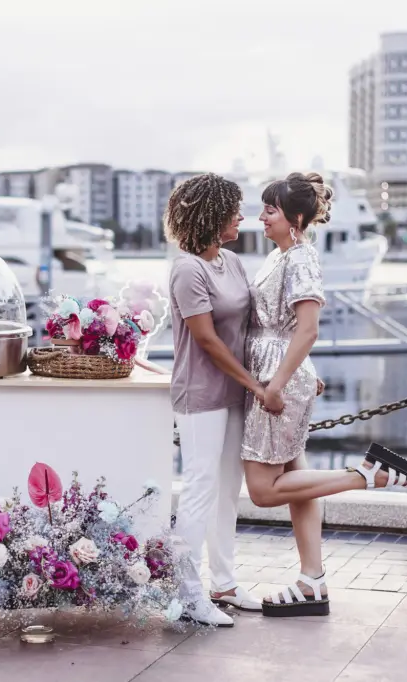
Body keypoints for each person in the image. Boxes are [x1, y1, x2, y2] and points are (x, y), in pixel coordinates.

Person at [240, 172, 407, 618]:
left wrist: (279, 384)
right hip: (279, 370)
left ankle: (367, 474)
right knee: (299, 484)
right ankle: (312, 581)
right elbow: (290, 331)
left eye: (271, 210)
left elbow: (308, 329)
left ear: (296, 217)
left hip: (275, 380)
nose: (262, 217)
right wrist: (298, 372)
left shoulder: (300, 259)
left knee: (264, 491)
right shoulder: (281, 255)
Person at [165, 173, 266, 627]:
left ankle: (223, 582)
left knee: (228, 490)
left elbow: (250, 330)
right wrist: (257, 386)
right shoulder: (188, 269)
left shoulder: (231, 261)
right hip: (202, 394)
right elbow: (206, 340)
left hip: (235, 391)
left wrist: (287, 375)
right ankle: (187, 593)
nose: (241, 217)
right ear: (211, 214)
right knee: (200, 489)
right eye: (234, 210)